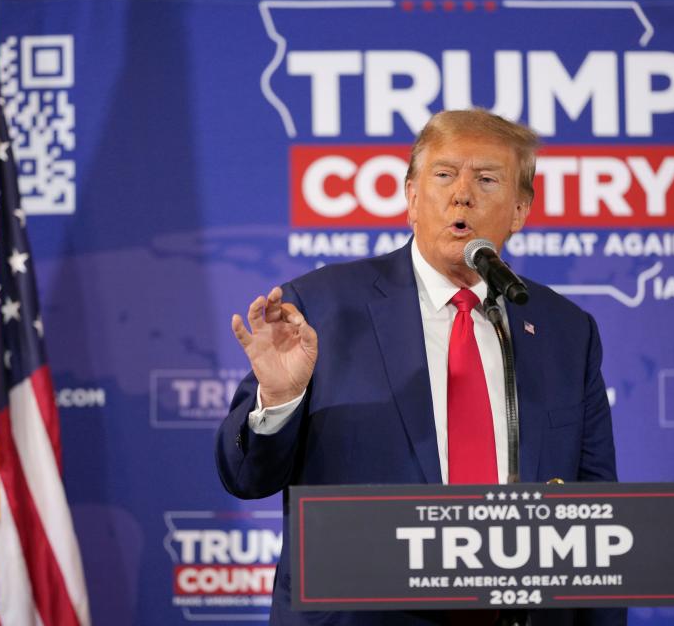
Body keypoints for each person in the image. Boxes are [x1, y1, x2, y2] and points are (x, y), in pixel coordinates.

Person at [215, 109, 624, 625]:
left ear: (519, 210)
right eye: (444, 174)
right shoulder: (321, 309)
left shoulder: (566, 330)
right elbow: (244, 477)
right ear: (411, 198)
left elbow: (598, 515)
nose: (462, 195)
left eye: (487, 180)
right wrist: (279, 401)